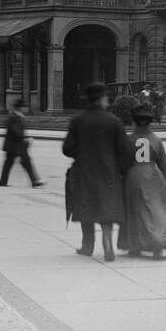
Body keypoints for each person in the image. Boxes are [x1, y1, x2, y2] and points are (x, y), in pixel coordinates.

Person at [62, 81, 134, 262]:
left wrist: (82, 151)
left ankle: (87, 245)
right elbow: (125, 150)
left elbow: (67, 149)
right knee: (107, 206)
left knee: (86, 206)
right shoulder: (114, 121)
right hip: (108, 172)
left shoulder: (78, 120)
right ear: (103, 98)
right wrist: (120, 167)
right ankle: (107, 241)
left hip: (84, 171)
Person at [118, 100, 166, 259]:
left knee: (134, 210)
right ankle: (158, 242)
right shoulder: (156, 140)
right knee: (155, 210)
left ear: (134, 121)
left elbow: (122, 162)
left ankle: (135, 245)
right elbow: (163, 165)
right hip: (152, 175)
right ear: (150, 122)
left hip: (133, 175)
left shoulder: (129, 140)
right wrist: (162, 181)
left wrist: (124, 177)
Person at [0, 99, 43, 187]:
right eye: (24, 107)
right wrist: (24, 138)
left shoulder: (20, 116)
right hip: (13, 145)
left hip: (19, 145)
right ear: (19, 108)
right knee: (9, 164)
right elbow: (15, 130)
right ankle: (3, 182)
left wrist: (24, 138)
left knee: (26, 162)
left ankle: (34, 181)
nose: (25, 108)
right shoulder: (13, 116)